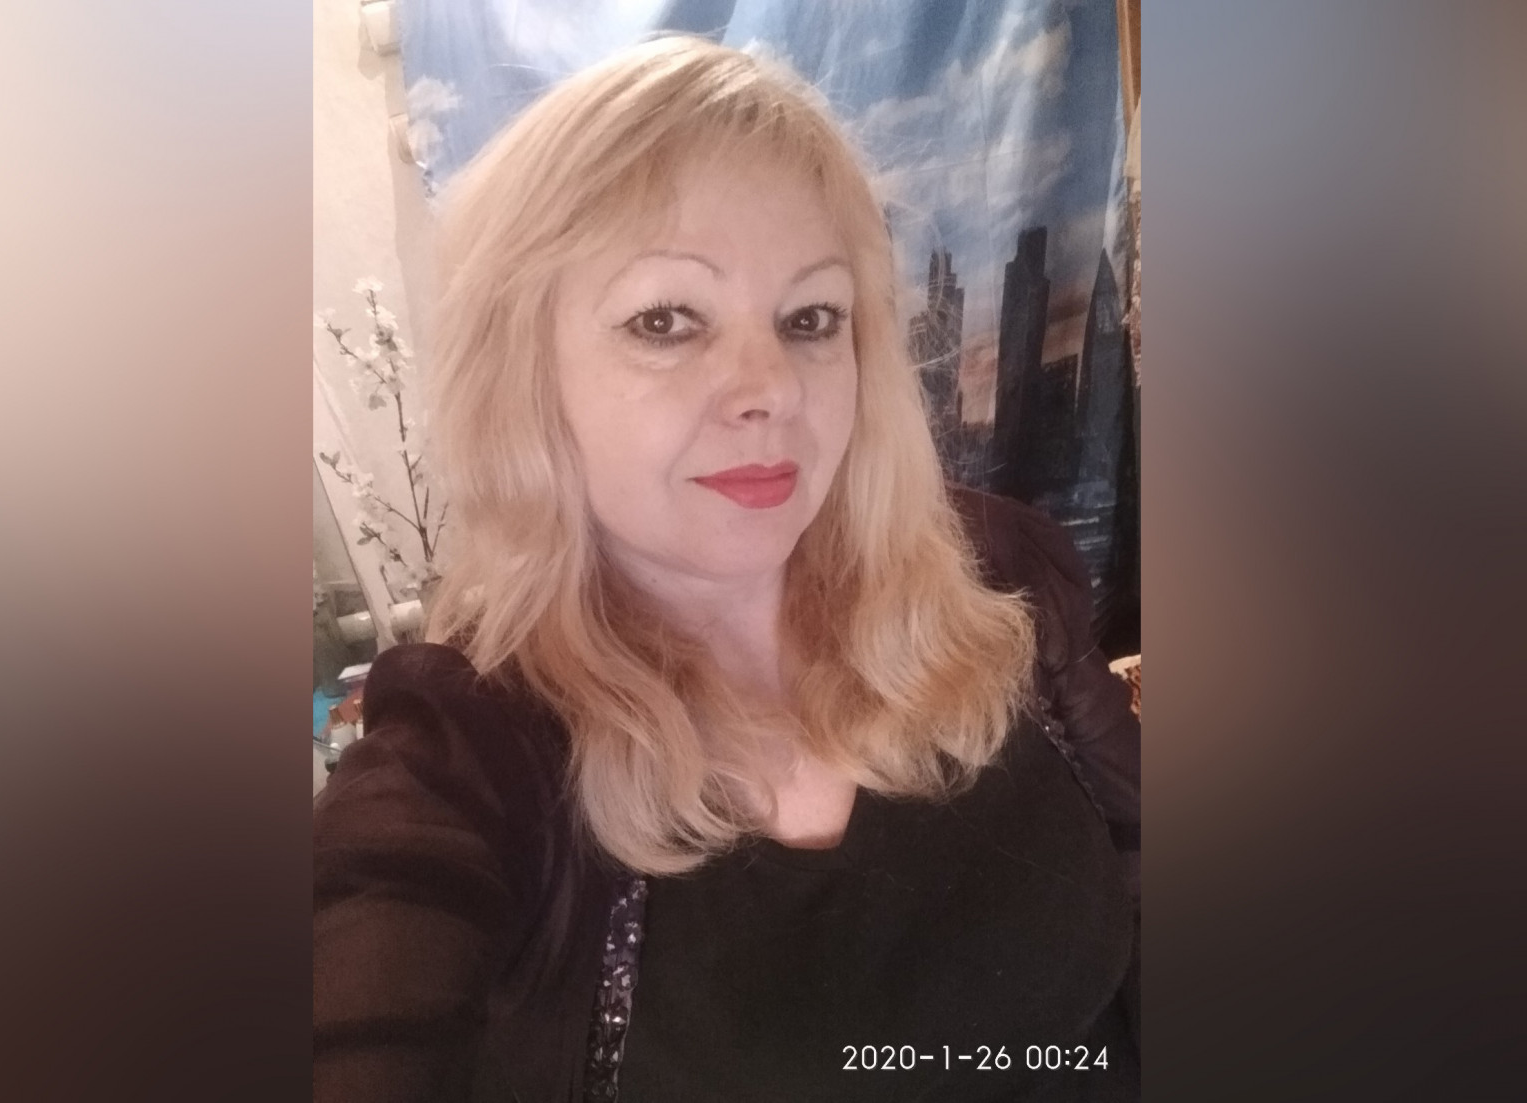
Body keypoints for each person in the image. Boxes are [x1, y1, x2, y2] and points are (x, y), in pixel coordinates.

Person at [314, 35, 1140, 1103]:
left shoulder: (995, 569)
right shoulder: (473, 752)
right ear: (525, 377)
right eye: (665, 320)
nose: (771, 388)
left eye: (810, 318)